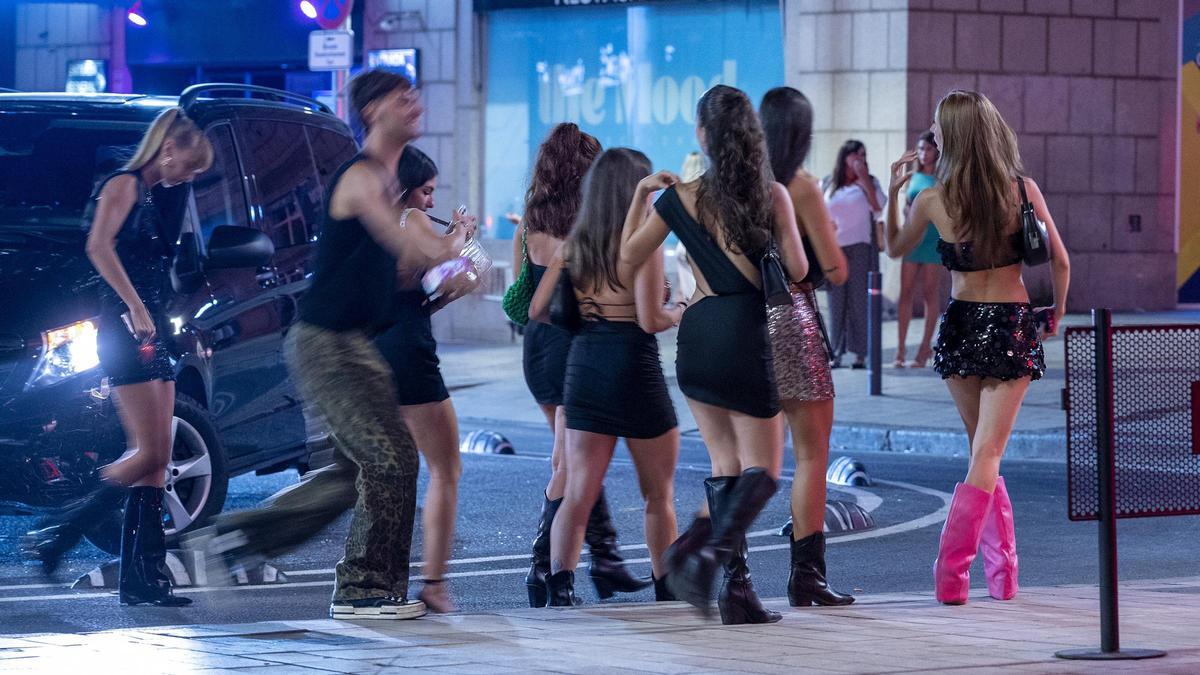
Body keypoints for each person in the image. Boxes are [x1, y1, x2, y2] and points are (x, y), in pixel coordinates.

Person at [188, 70, 474, 620]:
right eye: (401, 97)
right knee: (392, 460)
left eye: (417, 95)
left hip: (351, 343)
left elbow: (403, 273)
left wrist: (446, 267)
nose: (415, 103)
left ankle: (227, 539)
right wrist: (455, 243)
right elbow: (402, 247)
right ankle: (365, 590)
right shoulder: (363, 179)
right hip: (329, 344)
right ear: (371, 111)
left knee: (352, 474)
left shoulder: (387, 185)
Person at [620, 84, 809, 625]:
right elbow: (796, 270)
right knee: (766, 470)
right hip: (747, 331)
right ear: (751, 135)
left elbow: (630, 257)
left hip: (698, 334)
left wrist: (640, 198)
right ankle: (693, 554)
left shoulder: (679, 198)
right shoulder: (771, 195)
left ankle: (736, 592)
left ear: (702, 136)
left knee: (726, 465)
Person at [883, 90, 1069, 605]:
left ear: (955, 136)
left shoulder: (933, 199)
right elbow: (1061, 262)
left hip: (962, 323)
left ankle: (998, 572)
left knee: (981, 451)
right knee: (987, 452)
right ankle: (958, 571)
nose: (934, 136)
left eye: (939, 128)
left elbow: (894, 248)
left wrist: (893, 197)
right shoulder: (1022, 189)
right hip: (1010, 322)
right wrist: (1054, 313)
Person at [22, 107, 213, 606]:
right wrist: (132, 304)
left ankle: (143, 580)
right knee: (147, 453)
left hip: (150, 331)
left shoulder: (148, 194)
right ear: (167, 149)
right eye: (189, 167)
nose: (189, 178)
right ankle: (57, 534)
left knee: (156, 460)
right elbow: (98, 246)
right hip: (128, 331)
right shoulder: (123, 184)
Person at [528, 148, 684, 606]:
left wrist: (586, 322)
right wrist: (680, 310)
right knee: (658, 494)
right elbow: (650, 320)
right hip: (634, 367)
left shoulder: (575, 243)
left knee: (578, 491)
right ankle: (667, 589)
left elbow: (537, 309)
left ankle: (560, 589)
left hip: (585, 366)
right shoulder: (642, 241)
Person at [516, 123, 647, 607]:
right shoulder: (593, 223)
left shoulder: (532, 217)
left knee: (569, 459)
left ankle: (592, 561)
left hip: (538, 346)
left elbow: (525, 289)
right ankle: (544, 565)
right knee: (569, 463)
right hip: (573, 343)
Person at [759, 86, 855, 608]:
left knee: (748, 459)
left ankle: (724, 565)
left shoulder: (736, 185)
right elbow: (835, 268)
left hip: (740, 322)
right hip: (792, 320)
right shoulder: (799, 187)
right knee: (812, 452)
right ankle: (806, 575)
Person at [373, 145, 471, 613]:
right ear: (407, 189)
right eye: (426, 191)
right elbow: (441, 253)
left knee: (388, 471)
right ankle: (433, 583)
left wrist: (452, 280)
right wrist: (461, 235)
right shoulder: (408, 219)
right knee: (446, 469)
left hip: (375, 350)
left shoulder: (371, 226)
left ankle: (381, 577)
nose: (429, 202)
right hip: (409, 354)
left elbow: (420, 291)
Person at [824, 140, 887, 369]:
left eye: (863, 155)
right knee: (836, 302)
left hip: (861, 248)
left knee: (860, 303)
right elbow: (822, 211)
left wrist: (865, 180)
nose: (860, 159)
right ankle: (835, 352)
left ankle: (860, 354)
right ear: (845, 157)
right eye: (856, 155)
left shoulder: (870, 183)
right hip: (834, 249)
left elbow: (879, 206)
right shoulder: (830, 183)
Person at [895, 131, 943, 368]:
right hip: (913, 238)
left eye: (929, 149)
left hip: (933, 238)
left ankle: (924, 349)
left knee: (930, 293)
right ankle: (901, 351)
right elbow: (905, 204)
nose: (924, 154)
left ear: (937, 152)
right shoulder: (912, 176)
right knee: (905, 293)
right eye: (921, 149)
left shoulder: (942, 178)